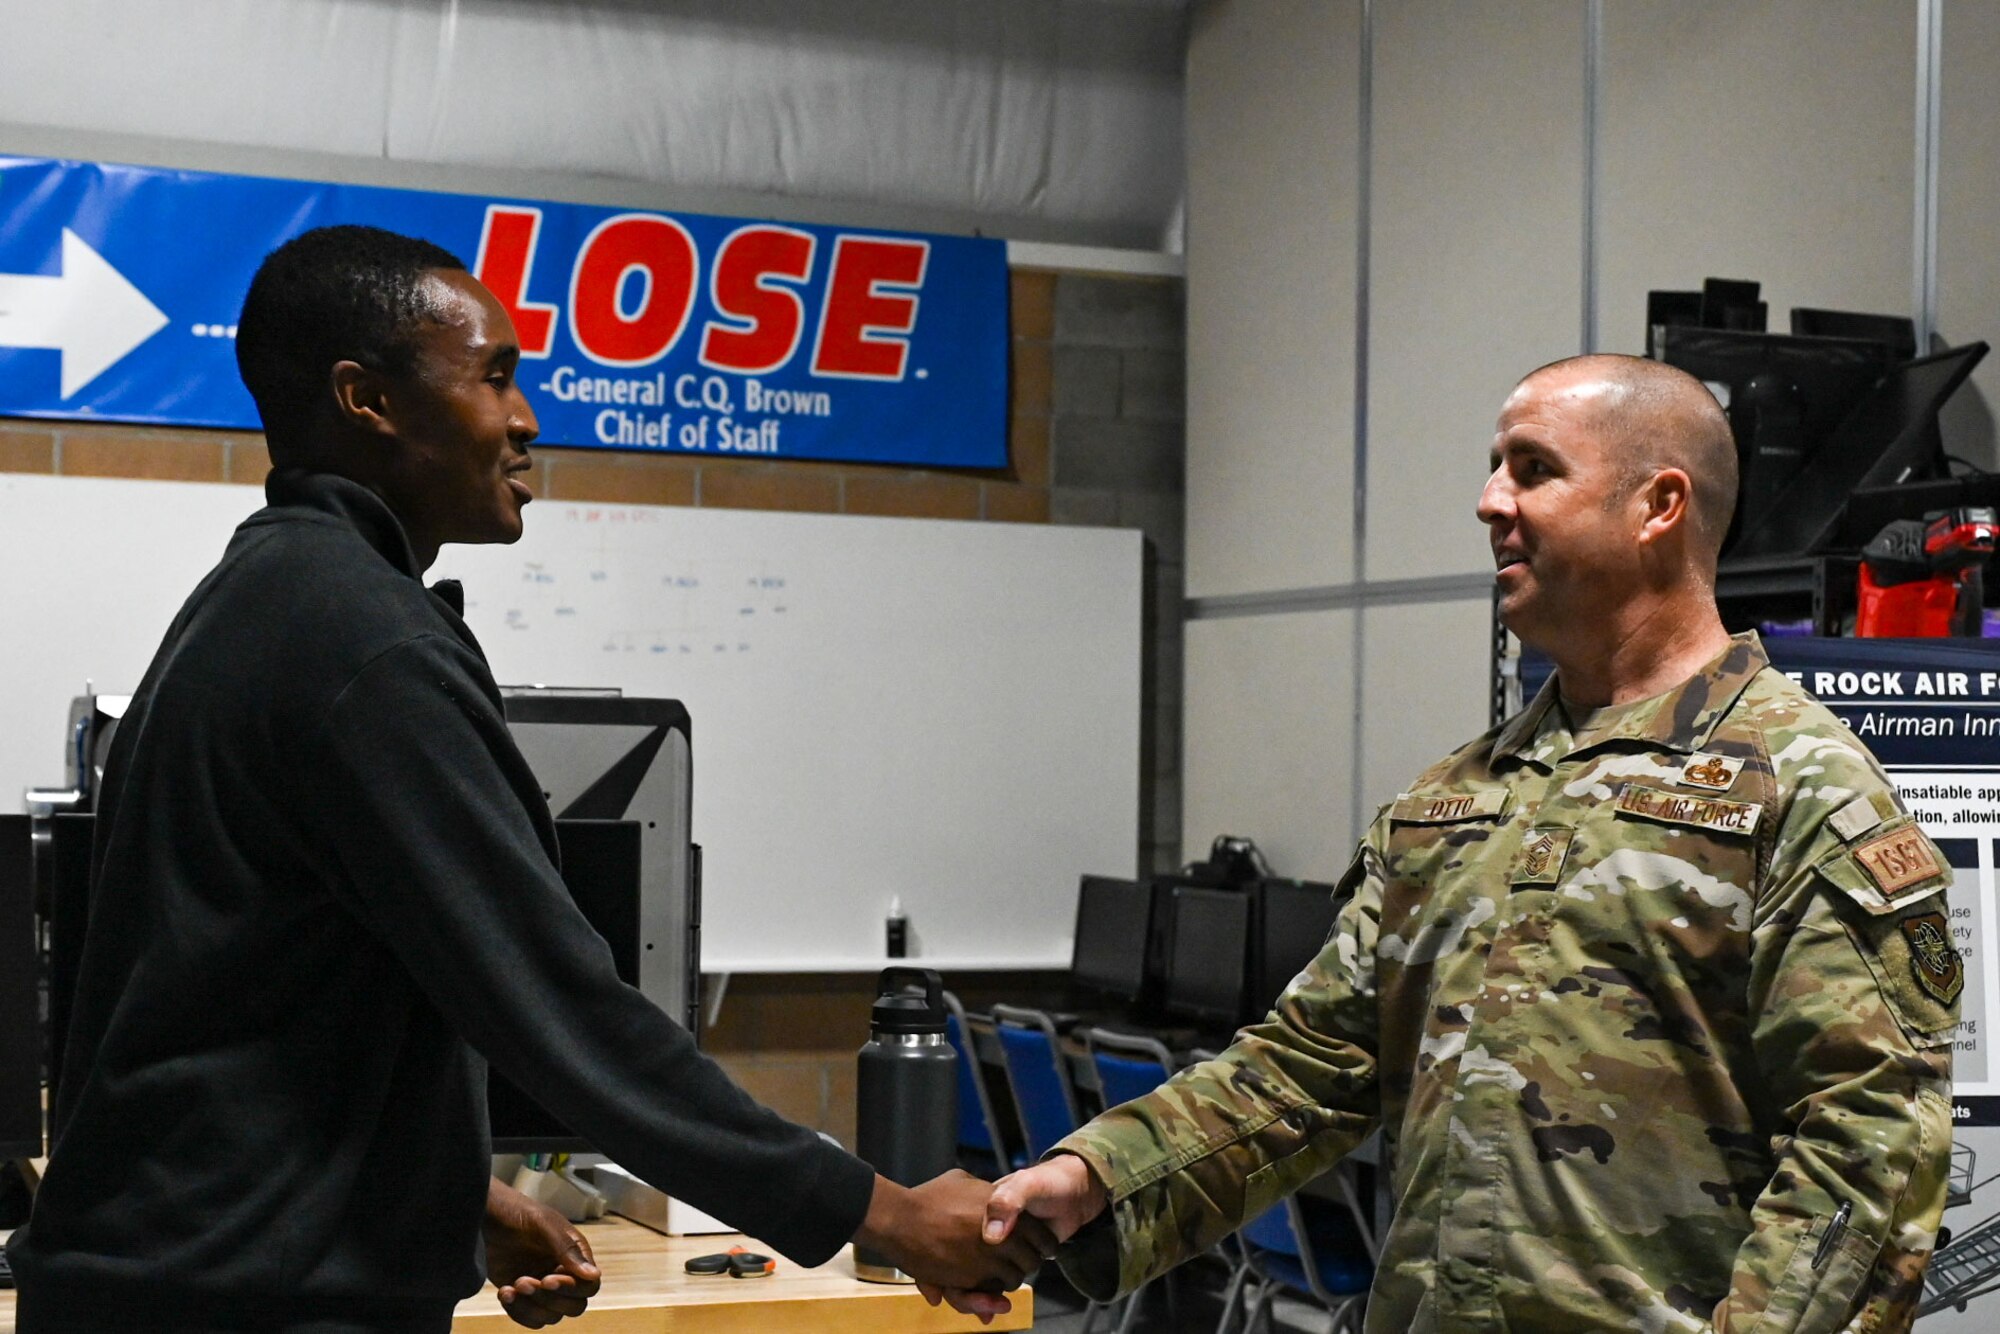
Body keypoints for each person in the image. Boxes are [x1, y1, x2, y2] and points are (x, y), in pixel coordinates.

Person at [7, 225, 1047, 1332]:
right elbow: (562, 1007)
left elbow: (245, 1015)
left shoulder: (263, 598)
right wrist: (877, 1208)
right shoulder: (364, 649)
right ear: (368, 400)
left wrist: (452, 1193)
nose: (526, 418)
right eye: (493, 375)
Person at [940, 354, 1959, 1332]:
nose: (1487, 501)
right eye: (1491, 468)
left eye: (1532, 469)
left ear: (1658, 506)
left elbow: (1863, 1148)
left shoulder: (1799, 785)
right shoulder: (1452, 798)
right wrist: (1097, 1176)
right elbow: (1310, 1064)